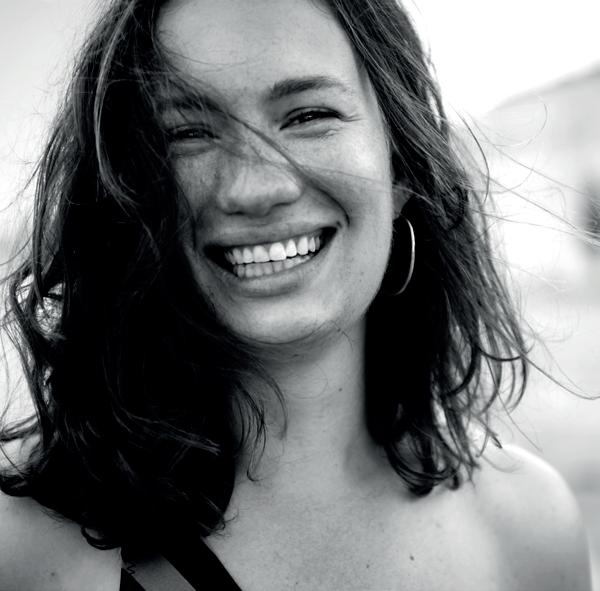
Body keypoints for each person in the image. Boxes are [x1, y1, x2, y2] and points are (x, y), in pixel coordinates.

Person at [0, 0, 591, 589]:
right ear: (123, 190)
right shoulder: (23, 544)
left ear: (402, 165)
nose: (254, 188)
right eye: (186, 132)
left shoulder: (528, 528)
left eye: (308, 115)